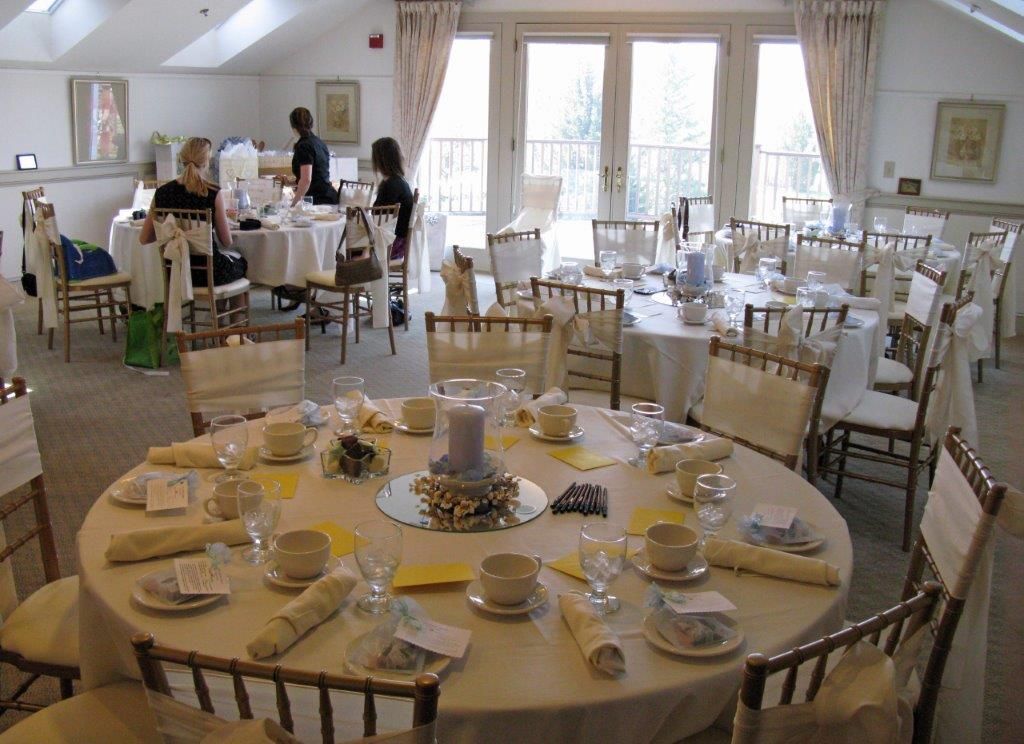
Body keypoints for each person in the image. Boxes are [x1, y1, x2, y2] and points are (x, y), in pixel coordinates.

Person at [140, 137, 247, 287]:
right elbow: (226, 241)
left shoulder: (162, 193)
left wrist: (173, 232)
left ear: (181, 160)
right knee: (241, 263)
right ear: (206, 161)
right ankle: (226, 308)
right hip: (210, 271)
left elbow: (144, 238)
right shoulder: (212, 193)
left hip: (177, 268)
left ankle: (220, 307)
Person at [371, 137, 415, 261]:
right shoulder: (400, 181)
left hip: (391, 245)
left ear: (381, 160)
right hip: (399, 243)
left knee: (347, 244)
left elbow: (379, 218)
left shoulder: (390, 185)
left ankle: (356, 277)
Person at [289, 107, 338, 206]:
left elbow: (306, 180)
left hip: (318, 200)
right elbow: (317, 173)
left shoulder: (304, 146)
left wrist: (294, 204)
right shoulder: (319, 142)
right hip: (329, 196)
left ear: (293, 126)